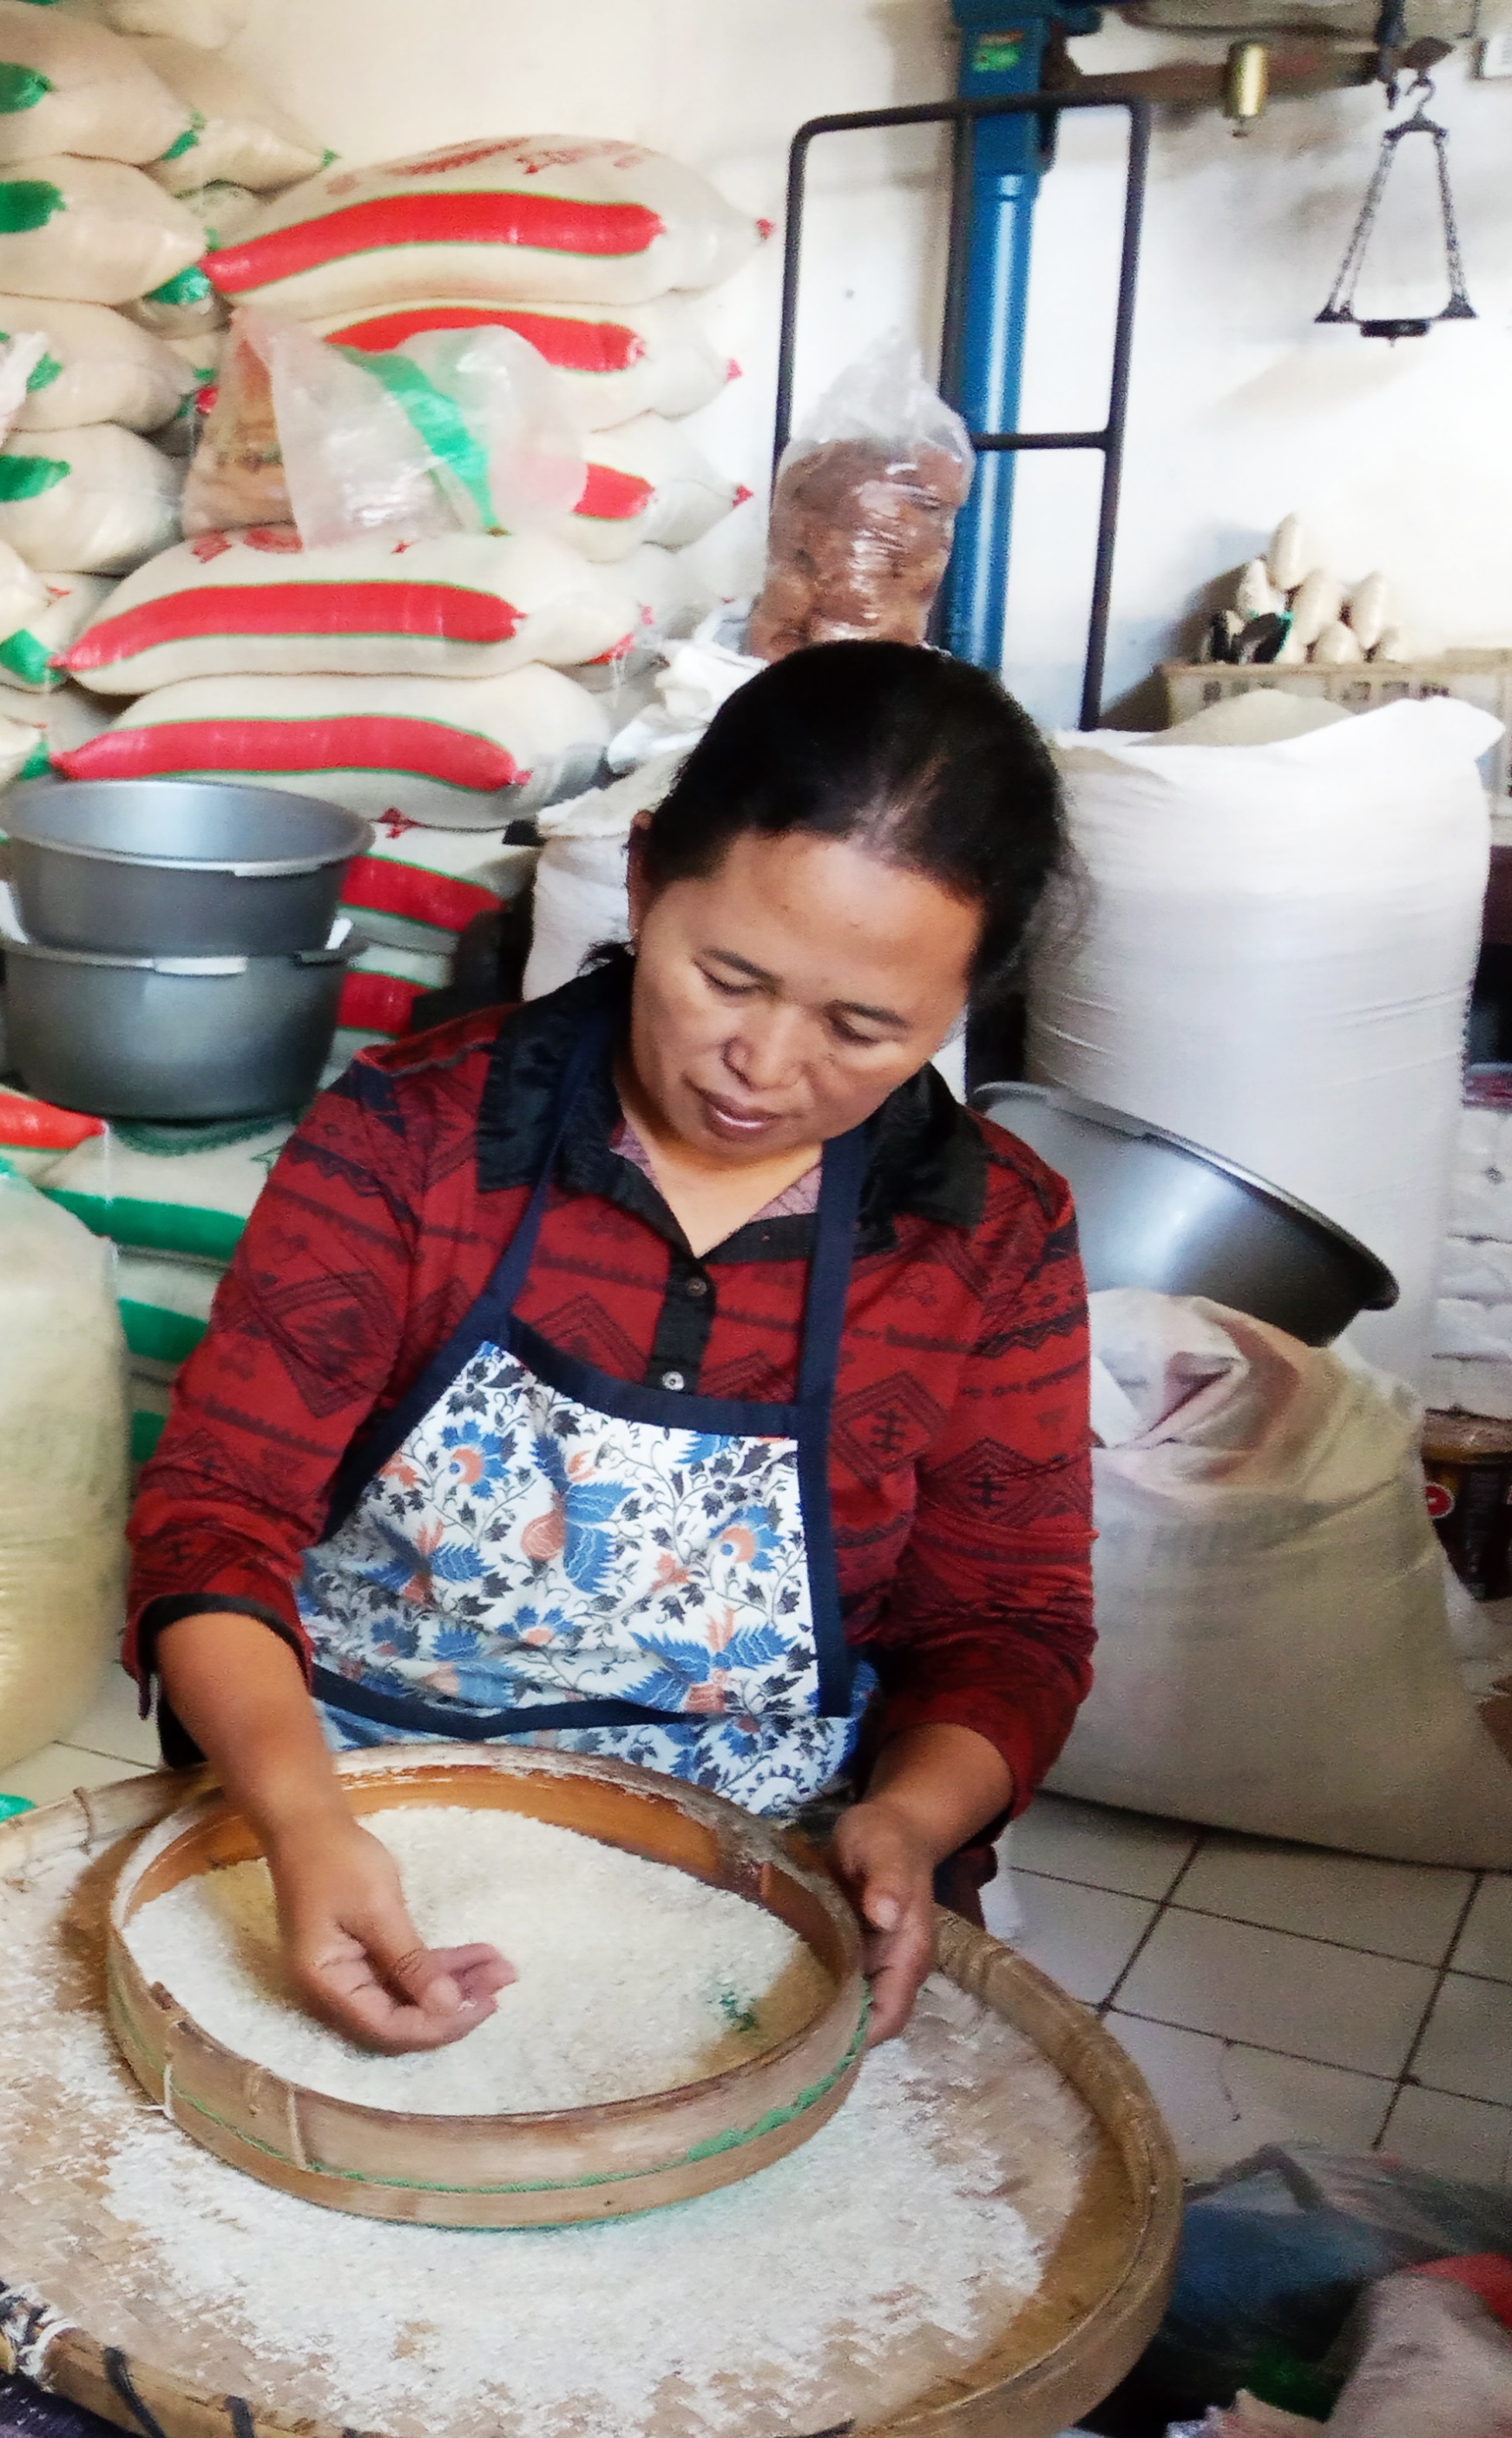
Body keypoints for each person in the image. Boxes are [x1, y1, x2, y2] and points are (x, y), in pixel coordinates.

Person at [129, 641, 1091, 2058]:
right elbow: (214, 1517)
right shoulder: (414, 1143)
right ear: (643, 881)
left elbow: (1006, 1627)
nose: (763, 1063)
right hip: (354, 1819)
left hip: (766, 1873)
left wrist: (912, 1820)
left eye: (862, 1026)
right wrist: (299, 1811)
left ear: (962, 1008)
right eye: (728, 976)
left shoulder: (989, 1235)